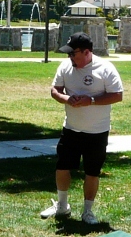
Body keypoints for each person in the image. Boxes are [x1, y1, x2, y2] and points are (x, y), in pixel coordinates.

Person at [40, 32, 124, 224]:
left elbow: (117, 95)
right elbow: (55, 90)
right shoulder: (65, 66)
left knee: (92, 172)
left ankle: (88, 212)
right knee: (62, 167)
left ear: (86, 52)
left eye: (73, 53)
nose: (70, 57)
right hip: (71, 128)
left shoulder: (105, 68)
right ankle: (62, 206)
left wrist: (90, 100)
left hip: (97, 131)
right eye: (68, 53)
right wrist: (66, 98)